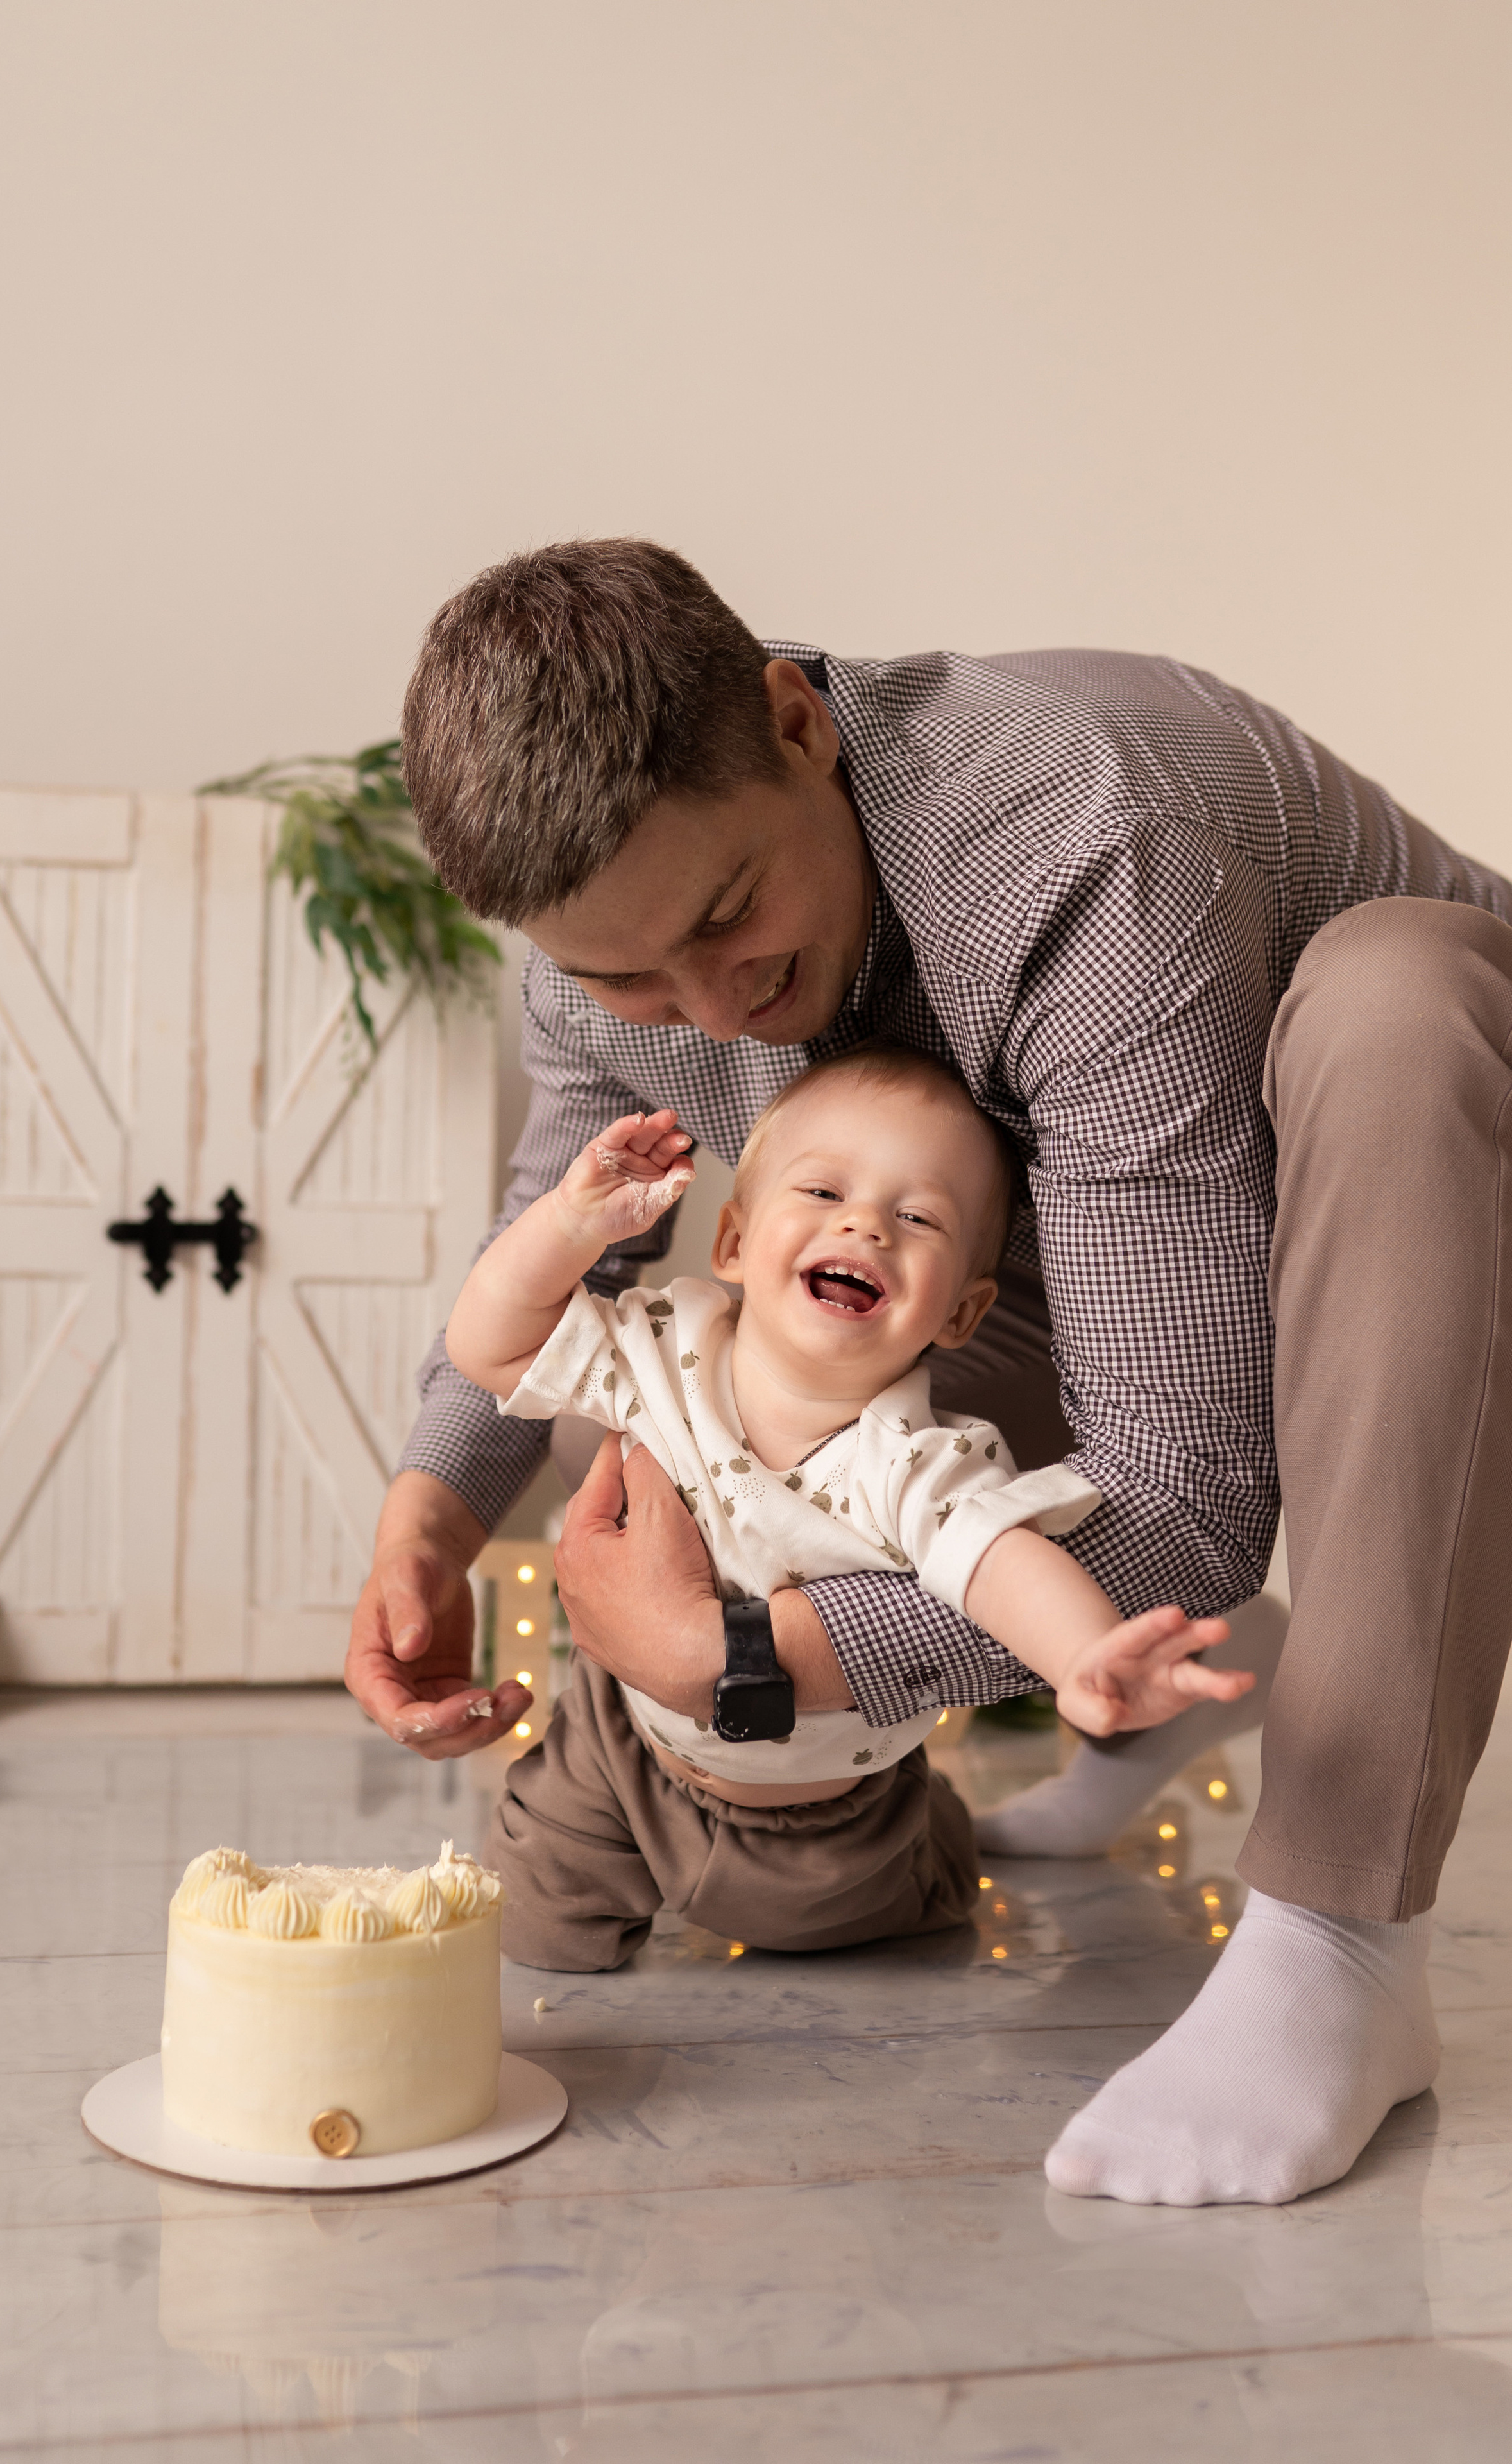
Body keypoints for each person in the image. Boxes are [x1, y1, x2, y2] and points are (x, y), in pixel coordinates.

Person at [346, 538, 1512, 2208]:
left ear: (794, 725)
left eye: (731, 916)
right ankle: (1173, 1709)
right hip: (1163, 1208)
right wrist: (430, 1519)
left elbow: (1184, 1506)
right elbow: (566, 1206)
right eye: (622, 978)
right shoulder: (614, 961)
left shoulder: (1081, 855)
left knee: (1395, 1000)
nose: (709, 1010)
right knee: (831, 1336)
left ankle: (1340, 1932)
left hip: (1455, 1146)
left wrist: (743, 1657)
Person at [441, 1054, 1246, 1968]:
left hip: (821, 1811)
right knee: (535, 1935)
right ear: (734, 1242)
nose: (865, 1223)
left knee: (834, 1933)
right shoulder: (664, 1345)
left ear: (961, 1312)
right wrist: (568, 1224)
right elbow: (486, 1343)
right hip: (618, 1744)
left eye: (918, 1217)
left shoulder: (917, 1458)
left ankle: (931, 1834)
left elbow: (1001, 1566)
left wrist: (1086, 1658)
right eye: (823, 1190)